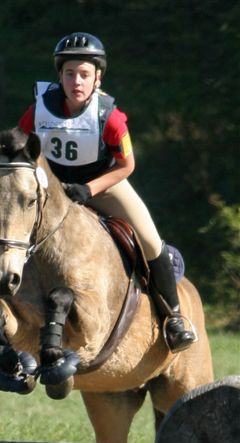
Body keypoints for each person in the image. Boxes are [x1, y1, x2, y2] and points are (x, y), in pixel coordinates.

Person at [18, 32, 196, 353]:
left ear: (98, 77)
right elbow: (20, 151)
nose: (76, 81)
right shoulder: (38, 111)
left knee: (150, 239)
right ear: (59, 75)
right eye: (70, 73)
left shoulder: (110, 117)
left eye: (85, 74)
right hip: (54, 191)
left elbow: (126, 165)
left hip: (103, 184)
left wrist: (89, 189)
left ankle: (174, 317)